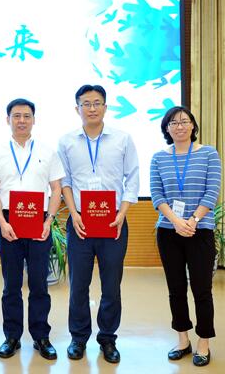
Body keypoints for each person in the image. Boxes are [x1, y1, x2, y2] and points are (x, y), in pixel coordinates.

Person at [57, 84, 139, 364]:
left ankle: (107, 338)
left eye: (96, 103)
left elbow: (132, 177)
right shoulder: (67, 141)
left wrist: (122, 213)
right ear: (77, 108)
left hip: (114, 221)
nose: (91, 108)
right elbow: (65, 181)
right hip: (80, 221)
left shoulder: (122, 139)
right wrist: (73, 213)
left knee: (111, 285)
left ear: (105, 106)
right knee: (78, 285)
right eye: (86, 103)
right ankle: (78, 338)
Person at [0, 98, 65, 360]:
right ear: (7, 119)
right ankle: (12, 336)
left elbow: (56, 189)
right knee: (11, 285)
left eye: (26, 116)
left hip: (38, 221)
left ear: (34, 119)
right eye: (16, 116)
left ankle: (41, 336)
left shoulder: (48, 151)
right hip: (8, 220)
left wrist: (48, 221)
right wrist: (2, 222)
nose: (21, 120)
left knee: (39, 284)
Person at [150, 106, 221, 367]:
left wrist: (193, 220)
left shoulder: (209, 153)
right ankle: (182, 340)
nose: (179, 126)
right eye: (173, 122)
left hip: (200, 230)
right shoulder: (158, 158)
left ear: (193, 125)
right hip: (169, 232)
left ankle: (204, 342)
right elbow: (157, 195)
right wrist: (177, 221)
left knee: (202, 289)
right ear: (166, 129)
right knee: (176, 289)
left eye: (184, 121)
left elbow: (212, 191)